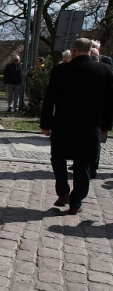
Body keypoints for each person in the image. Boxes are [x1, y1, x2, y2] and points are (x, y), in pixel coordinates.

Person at [41, 38, 113, 215]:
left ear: (73, 51)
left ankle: (63, 191)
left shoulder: (61, 70)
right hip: (91, 126)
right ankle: (76, 202)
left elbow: (50, 98)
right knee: (83, 164)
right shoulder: (105, 70)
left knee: (58, 158)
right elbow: (110, 103)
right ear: (91, 51)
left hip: (63, 124)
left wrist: (45, 124)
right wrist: (106, 126)